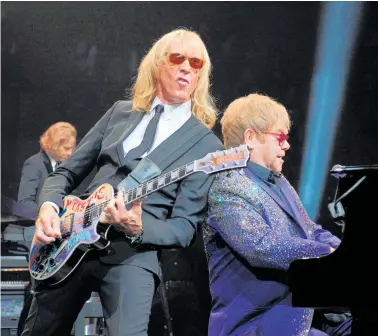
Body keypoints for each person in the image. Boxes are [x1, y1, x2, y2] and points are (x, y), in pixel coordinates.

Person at [21, 28, 223, 336]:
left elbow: (183, 227)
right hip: (71, 242)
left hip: (132, 255)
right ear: (157, 64)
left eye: (196, 63)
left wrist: (138, 226)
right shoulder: (120, 112)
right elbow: (65, 173)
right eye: (178, 58)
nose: (187, 67)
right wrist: (48, 207)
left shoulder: (205, 145)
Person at [203, 93, 341, 336]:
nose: (287, 144)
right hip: (256, 324)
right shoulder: (227, 185)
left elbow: (310, 229)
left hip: (297, 315)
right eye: (281, 136)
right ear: (251, 138)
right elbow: (263, 246)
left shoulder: (280, 182)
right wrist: (326, 254)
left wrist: (346, 252)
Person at [17, 122, 77, 211]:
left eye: (72, 148)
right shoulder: (34, 163)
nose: (70, 153)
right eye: (66, 148)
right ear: (53, 145)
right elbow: (24, 202)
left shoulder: (63, 165)